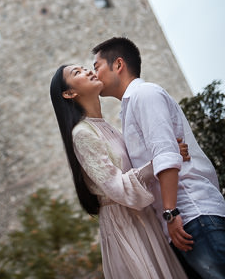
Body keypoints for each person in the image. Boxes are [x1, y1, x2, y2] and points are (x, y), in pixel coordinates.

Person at [92, 37, 225, 279]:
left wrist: (171, 213)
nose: (94, 74)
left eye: (97, 66)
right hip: (181, 221)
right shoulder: (129, 107)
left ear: (118, 64)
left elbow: (165, 156)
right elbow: (162, 155)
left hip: (191, 214)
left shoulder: (144, 95)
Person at [50, 64, 188, 279]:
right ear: (69, 93)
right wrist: (161, 161)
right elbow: (116, 186)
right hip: (124, 225)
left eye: (85, 67)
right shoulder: (82, 134)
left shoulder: (107, 127)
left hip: (143, 218)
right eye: (77, 73)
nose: (87, 71)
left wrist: (170, 151)